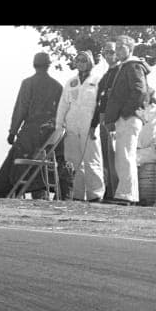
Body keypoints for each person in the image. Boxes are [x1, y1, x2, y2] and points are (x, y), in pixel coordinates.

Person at [0, 52, 64, 199]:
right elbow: (60, 114)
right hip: (50, 135)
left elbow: (21, 109)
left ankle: (4, 193)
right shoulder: (57, 86)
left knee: (15, 164)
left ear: (34, 65)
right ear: (49, 65)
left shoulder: (28, 83)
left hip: (30, 132)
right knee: (40, 163)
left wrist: (12, 132)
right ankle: (39, 195)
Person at [101, 36, 151, 206]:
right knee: (123, 156)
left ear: (130, 48)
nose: (118, 50)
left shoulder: (133, 66)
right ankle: (129, 194)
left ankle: (125, 195)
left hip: (128, 118)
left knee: (125, 156)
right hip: (124, 118)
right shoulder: (125, 66)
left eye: (122, 47)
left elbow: (139, 91)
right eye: (118, 47)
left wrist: (125, 113)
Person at [55, 51, 104, 202]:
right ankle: (77, 194)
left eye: (84, 60)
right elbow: (63, 104)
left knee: (92, 159)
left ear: (91, 62)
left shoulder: (97, 80)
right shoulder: (71, 82)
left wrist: (96, 124)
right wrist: (59, 124)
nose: (81, 63)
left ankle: (95, 194)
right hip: (71, 125)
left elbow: (100, 104)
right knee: (73, 161)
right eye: (79, 60)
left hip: (89, 124)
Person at [90, 42, 120, 202]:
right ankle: (109, 192)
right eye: (105, 52)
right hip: (103, 117)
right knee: (105, 158)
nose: (108, 55)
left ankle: (117, 193)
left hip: (114, 118)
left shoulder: (122, 71)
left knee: (114, 156)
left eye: (111, 52)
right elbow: (97, 98)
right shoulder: (107, 74)